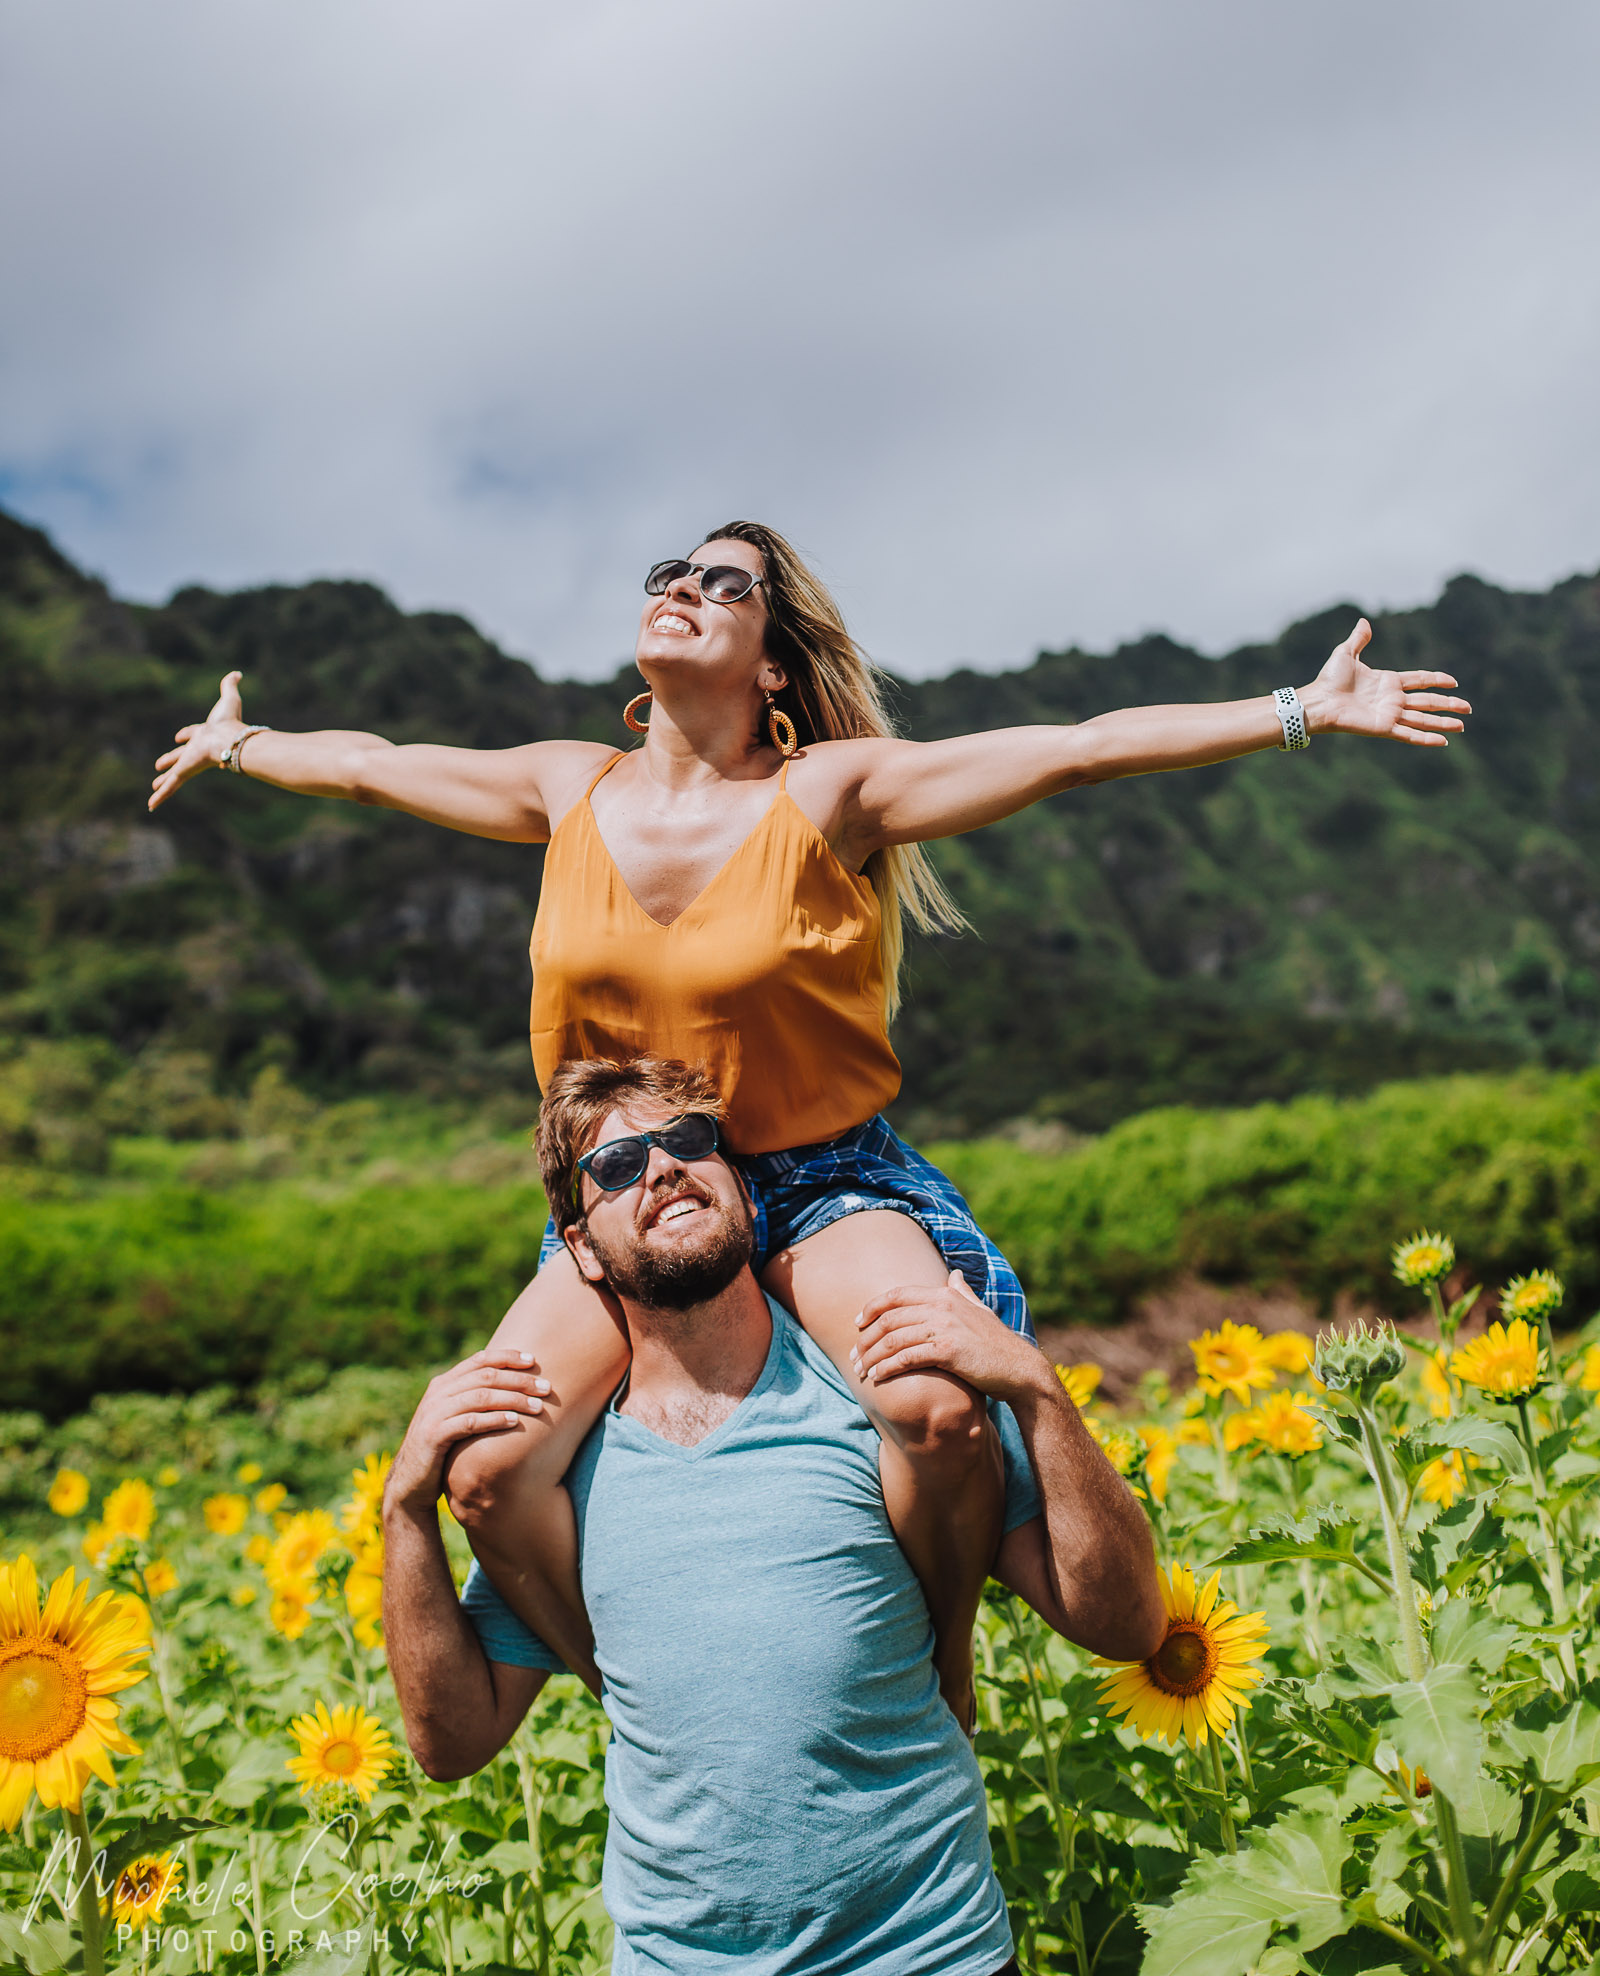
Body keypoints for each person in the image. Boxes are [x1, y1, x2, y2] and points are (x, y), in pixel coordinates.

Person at [149, 521, 1469, 1709]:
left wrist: (1302, 707)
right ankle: (637, 1702)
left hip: (820, 1179)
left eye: (727, 583)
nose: (682, 587)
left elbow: (1078, 753)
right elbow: (377, 768)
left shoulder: (825, 795)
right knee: (486, 1470)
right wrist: (239, 745)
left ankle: (939, 1659)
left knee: (935, 1407)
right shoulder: (567, 787)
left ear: (772, 662)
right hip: (633, 1193)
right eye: (670, 570)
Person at [382, 1055, 1166, 1976]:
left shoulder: (885, 1401)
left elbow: (1128, 1624)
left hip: (929, 1953)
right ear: (579, 1249)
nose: (665, 1167)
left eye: (687, 1141)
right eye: (619, 1166)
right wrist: (405, 1509)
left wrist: (1037, 1389)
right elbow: (452, 1743)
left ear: (746, 1191)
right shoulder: (562, 1476)